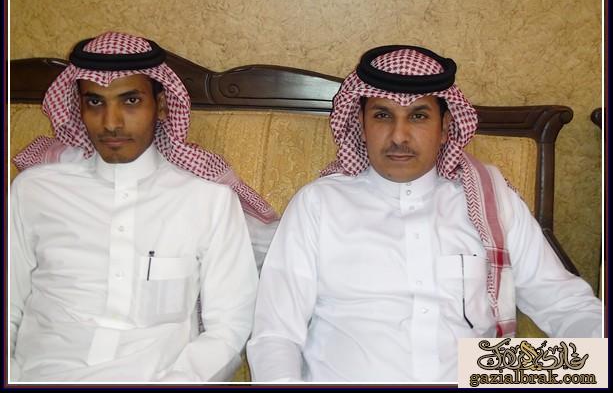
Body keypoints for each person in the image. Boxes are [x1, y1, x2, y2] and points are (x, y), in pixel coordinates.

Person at [246, 45, 602, 383]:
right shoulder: (318, 204)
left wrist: (581, 364)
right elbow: (276, 333)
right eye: (382, 115)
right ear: (361, 125)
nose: (399, 136)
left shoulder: (492, 201)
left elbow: (565, 304)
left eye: (418, 116)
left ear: (446, 127)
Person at [9, 32, 278, 382]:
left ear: (162, 105)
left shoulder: (208, 200)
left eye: (131, 100)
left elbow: (230, 327)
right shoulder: (35, 190)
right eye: (95, 102)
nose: (111, 122)